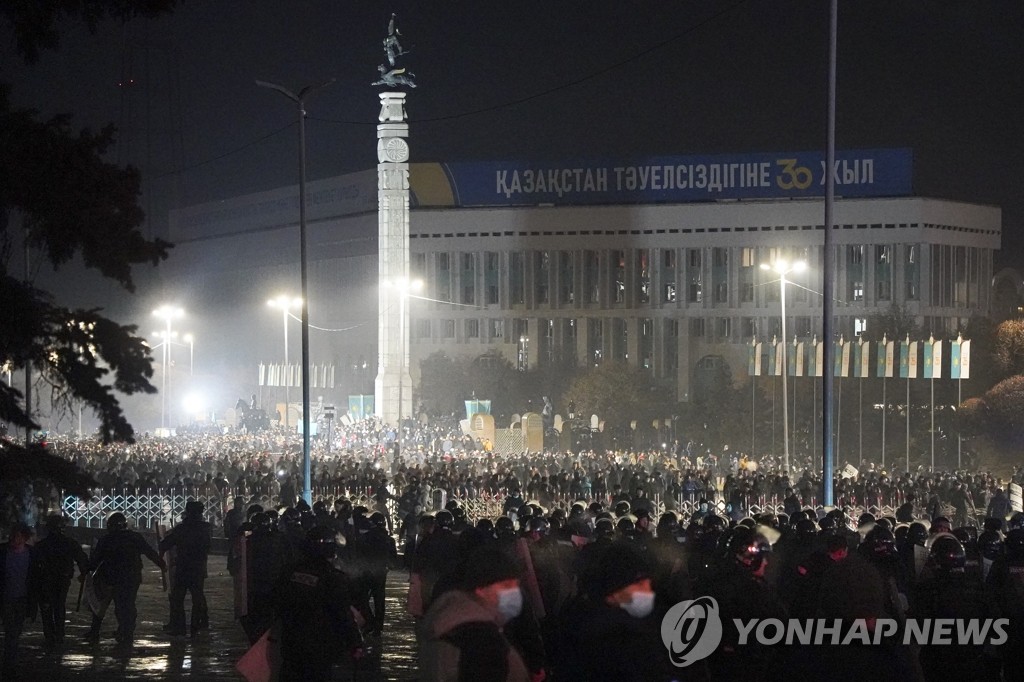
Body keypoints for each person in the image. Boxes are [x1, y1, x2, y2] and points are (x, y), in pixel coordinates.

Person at [418, 546, 531, 682]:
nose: (514, 593)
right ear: (481, 589)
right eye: (507, 586)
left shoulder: (447, 619)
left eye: (516, 586)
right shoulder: (482, 642)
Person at [273, 525, 362, 682]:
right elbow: (342, 614)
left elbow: (277, 603)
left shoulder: (289, 571)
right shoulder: (333, 577)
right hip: (320, 645)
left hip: (290, 641)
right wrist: (355, 642)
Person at [85, 512, 166, 646]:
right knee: (127, 605)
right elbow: (149, 552)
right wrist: (161, 564)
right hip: (131, 578)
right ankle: (125, 631)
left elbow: (95, 560)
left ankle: (112, 631)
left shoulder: (106, 539)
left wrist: (86, 568)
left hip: (113, 578)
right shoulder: (134, 537)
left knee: (104, 605)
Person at [34, 514, 88, 650]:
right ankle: (58, 634)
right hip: (60, 579)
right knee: (58, 606)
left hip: (46, 580)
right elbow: (82, 559)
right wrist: (84, 572)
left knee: (47, 607)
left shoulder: (42, 545)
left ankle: (51, 635)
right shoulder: (69, 543)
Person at [158, 499, 211, 637]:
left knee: (178, 599)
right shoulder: (206, 528)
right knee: (197, 598)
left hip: (183, 567)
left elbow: (165, 544)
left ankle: (179, 628)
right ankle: (196, 626)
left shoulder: (181, 529)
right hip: (198, 567)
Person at [1, 523, 39, 679]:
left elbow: (35, 579)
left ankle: (10, 661)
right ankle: (9, 663)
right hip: (7, 598)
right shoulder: (3, 552)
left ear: (24, 538)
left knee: (15, 631)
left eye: (17, 536)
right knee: (11, 632)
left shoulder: (32, 555)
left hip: (22, 598)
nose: (13, 539)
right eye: (12, 536)